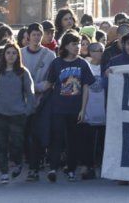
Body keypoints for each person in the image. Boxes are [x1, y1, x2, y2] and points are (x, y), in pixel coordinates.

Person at [45, 31, 95, 182]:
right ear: (66, 46)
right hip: (58, 108)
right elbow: (50, 83)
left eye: (79, 43)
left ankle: (71, 169)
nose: (78, 47)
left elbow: (86, 87)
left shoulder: (83, 64)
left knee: (73, 141)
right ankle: (53, 168)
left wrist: (83, 109)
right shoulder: (57, 63)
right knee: (57, 139)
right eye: (74, 44)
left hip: (76, 109)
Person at [0, 43, 35, 184]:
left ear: (18, 55)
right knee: (1, 144)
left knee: (17, 143)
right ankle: (4, 172)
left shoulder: (23, 72)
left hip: (18, 114)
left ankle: (18, 163)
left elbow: (30, 93)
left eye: (14, 53)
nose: (11, 55)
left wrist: (28, 110)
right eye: (8, 53)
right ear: (4, 55)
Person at [20, 23, 56, 182]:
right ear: (28, 36)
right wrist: (31, 89)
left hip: (43, 101)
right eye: (33, 34)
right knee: (23, 134)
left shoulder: (50, 55)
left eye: (38, 35)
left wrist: (38, 88)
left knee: (37, 133)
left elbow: (50, 81)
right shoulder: (20, 54)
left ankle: (34, 167)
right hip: (22, 101)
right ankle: (24, 163)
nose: (36, 38)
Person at [80, 43, 106, 180]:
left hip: (104, 110)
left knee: (102, 142)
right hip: (88, 109)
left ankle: (101, 167)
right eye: (97, 50)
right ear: (90, 52)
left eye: (102, 50)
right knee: (87, 141)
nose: (100, 53)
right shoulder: (85, 66)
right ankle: (86, 166)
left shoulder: (107, 67)